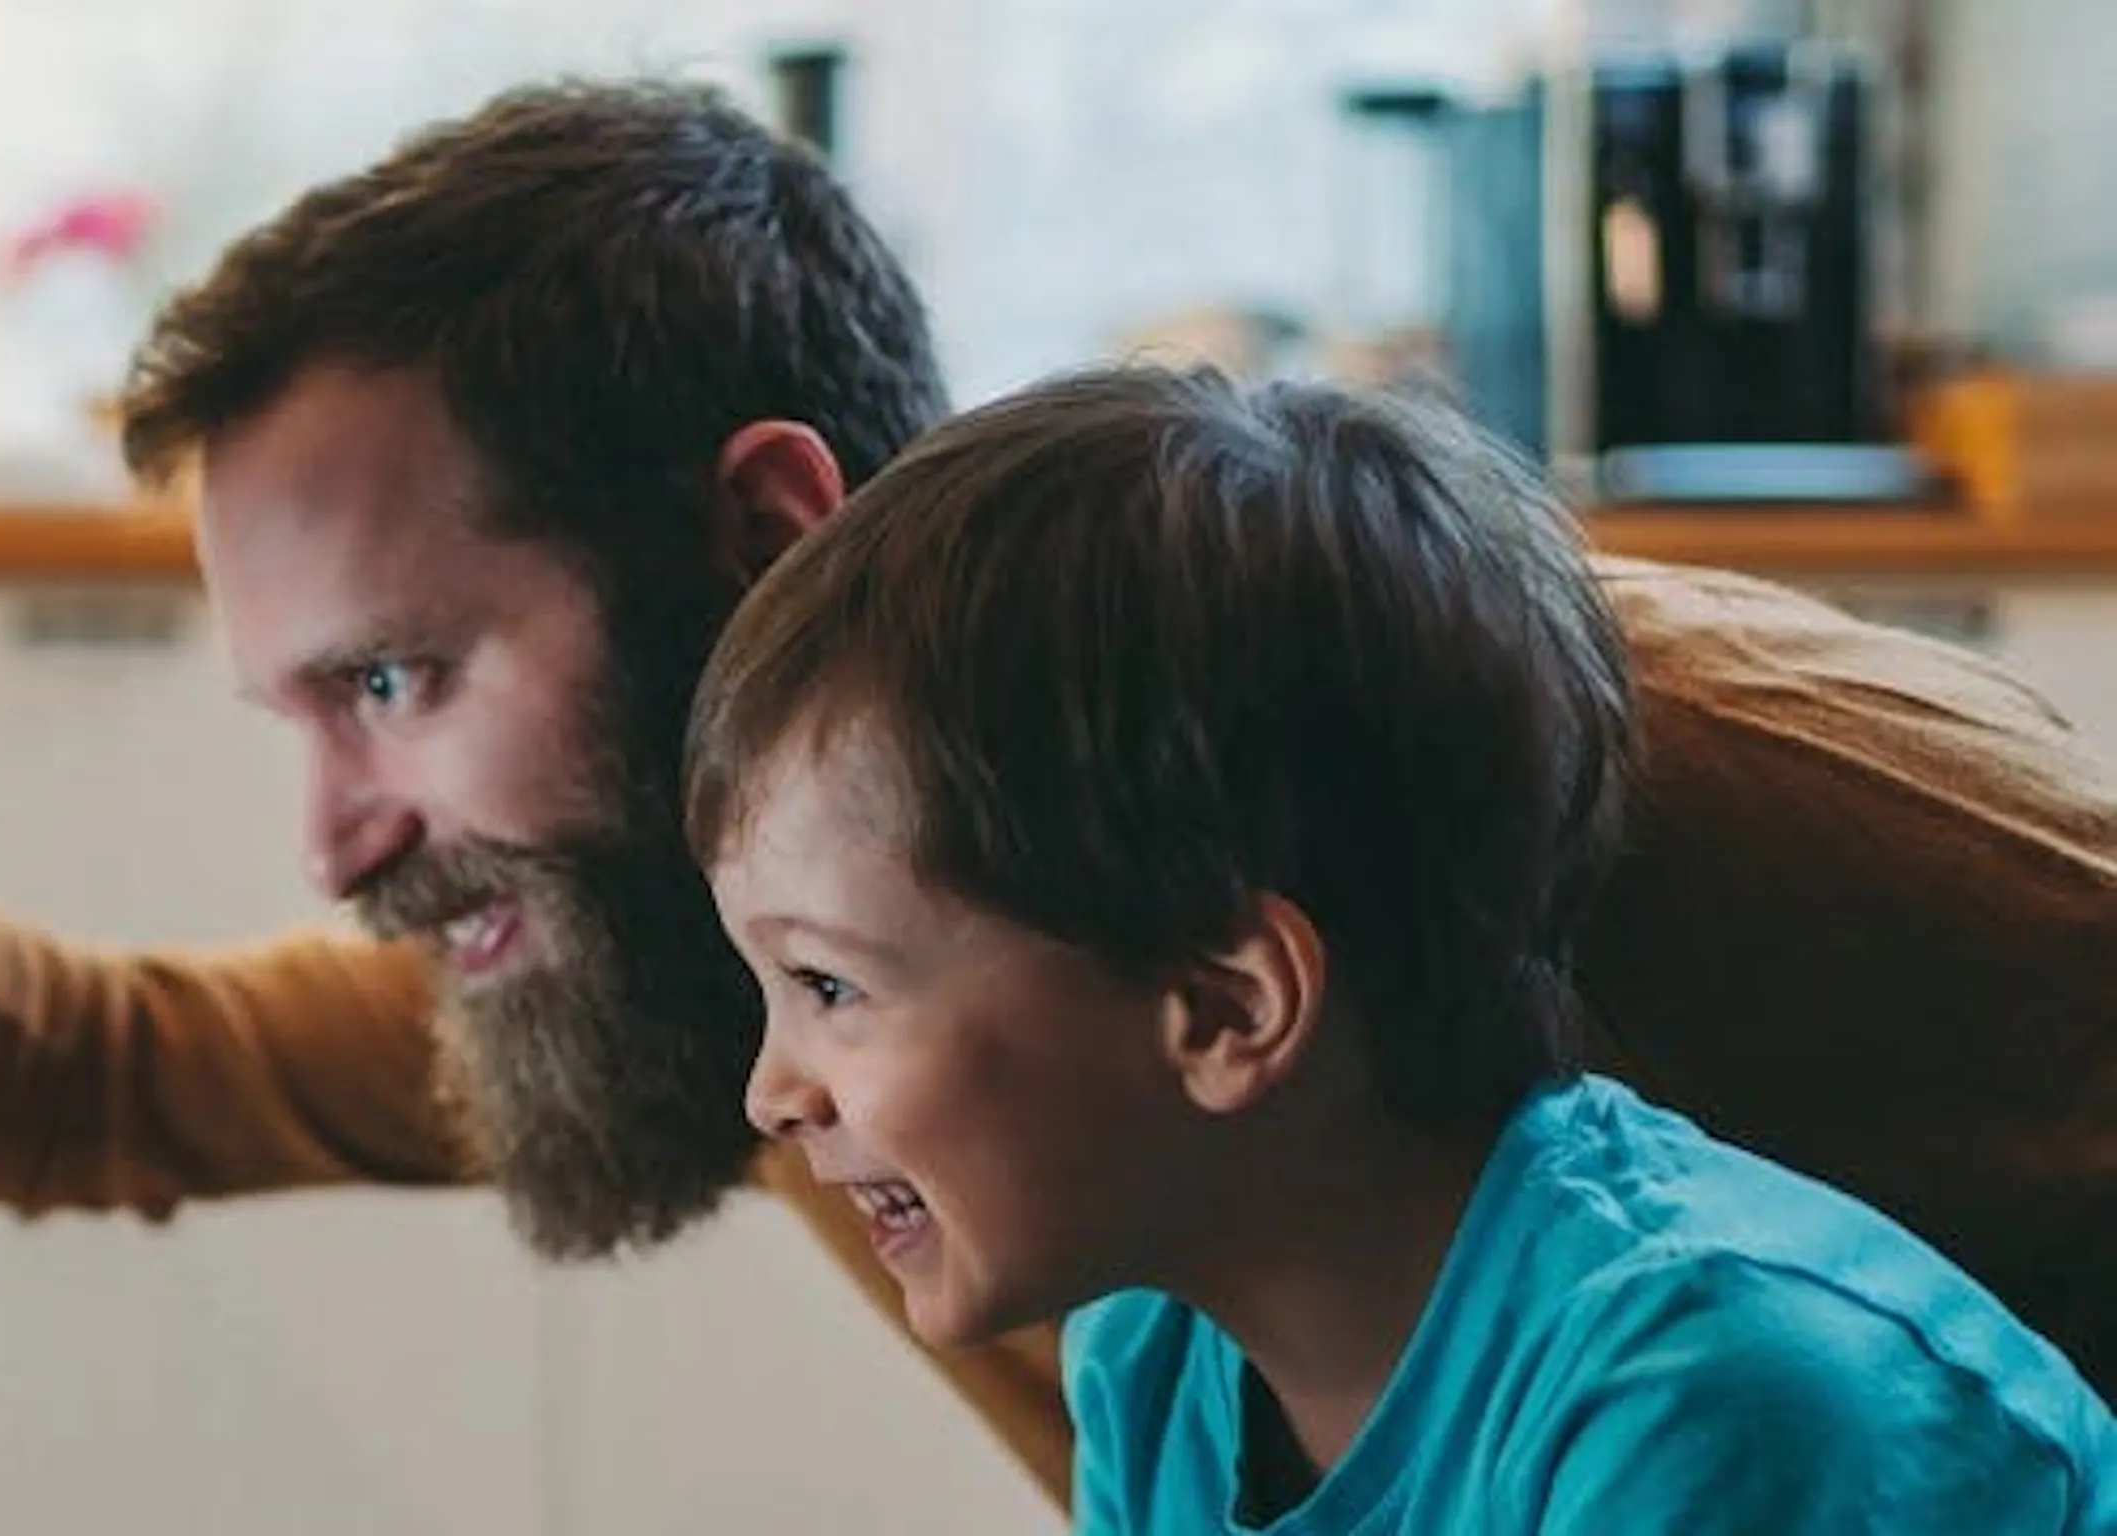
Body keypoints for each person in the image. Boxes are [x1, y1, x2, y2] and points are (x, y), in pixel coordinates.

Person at [0, 79, 2117, 1501]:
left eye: (394, 683)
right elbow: (77, 1080)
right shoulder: (771, 977)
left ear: (756, 528)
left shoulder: (1614, 781)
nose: (339, 839)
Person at [687, 364, 2117, 1531]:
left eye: (829, 987)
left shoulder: (1704, 1391)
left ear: (1225, 1008)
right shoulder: (1152, 1359)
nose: (774, 1090)